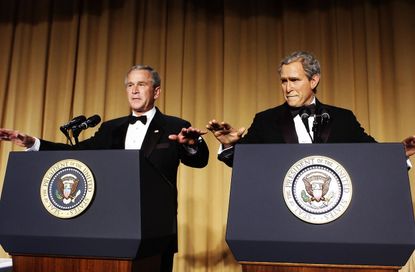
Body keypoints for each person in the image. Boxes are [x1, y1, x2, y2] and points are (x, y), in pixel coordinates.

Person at [0, 65, 209, 272]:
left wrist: (191, 145)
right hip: (110, 226)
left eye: (141, 84)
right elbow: (78, 152)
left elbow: (199, 161)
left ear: (156, 91)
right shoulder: (111, 128)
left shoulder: (175, 125)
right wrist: (33, 143)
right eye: (130, 85)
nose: (134, 90)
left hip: (155, 229)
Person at [206, 51, 415, 167]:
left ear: (313, 80)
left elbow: (370, 153)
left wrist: (398, 154)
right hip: (283, 218)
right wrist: (230, 146)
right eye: (283, 81)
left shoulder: (343, 118)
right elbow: (244, 162)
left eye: (295, 80)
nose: (288, 88)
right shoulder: (266, 120)